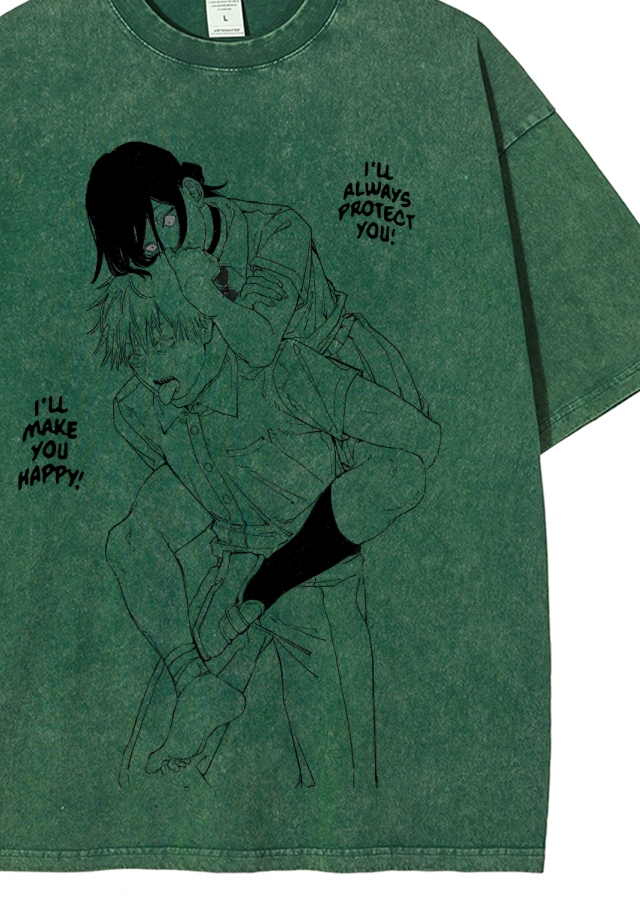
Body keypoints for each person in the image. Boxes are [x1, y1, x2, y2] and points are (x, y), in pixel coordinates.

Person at [87, 143, 441, 778]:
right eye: (146, 254)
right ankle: (201, 674)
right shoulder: (165, 347)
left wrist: (210, 302)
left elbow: (259, 348)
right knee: (140, 533)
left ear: (190, 193)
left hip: (335, 386)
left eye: (166, 225)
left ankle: (271, 579)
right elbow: (157, 391)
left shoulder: (276, 232)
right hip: (236, 420)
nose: (164, 255)